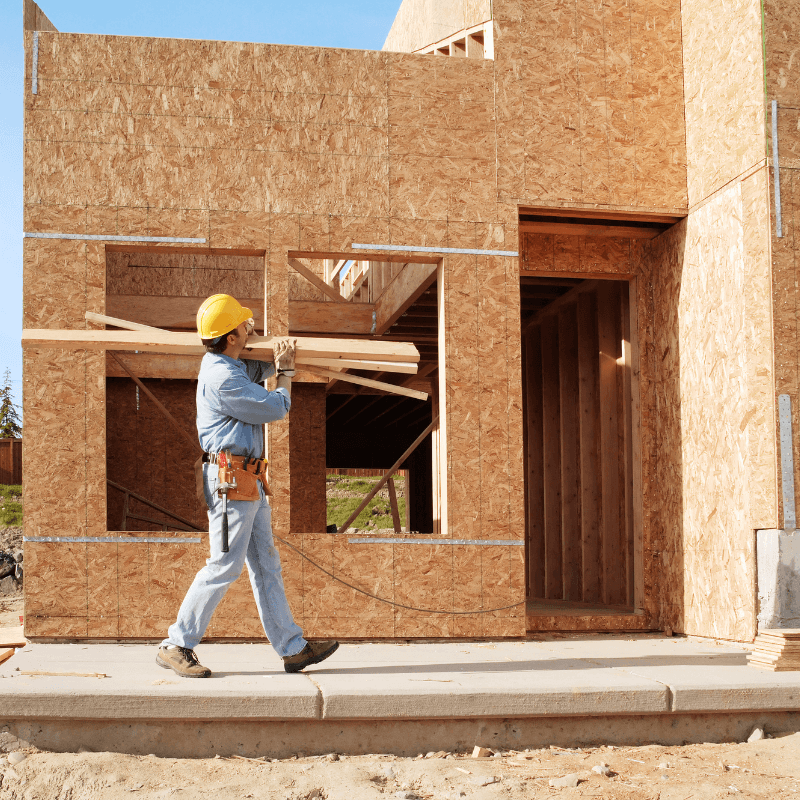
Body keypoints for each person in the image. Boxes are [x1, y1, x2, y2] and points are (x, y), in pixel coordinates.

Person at [156, 294, 338, 677]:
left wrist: (269, 352)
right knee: (224, 564)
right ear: (230, 337)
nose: (248, 326)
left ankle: (293, 648)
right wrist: (286, 373)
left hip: (247, 479)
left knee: (266, 564)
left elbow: (256, 367)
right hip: (231, 482)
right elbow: (276, 407)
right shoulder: (223, 378)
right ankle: (176, 643)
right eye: (243, 324)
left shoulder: (228, 364)